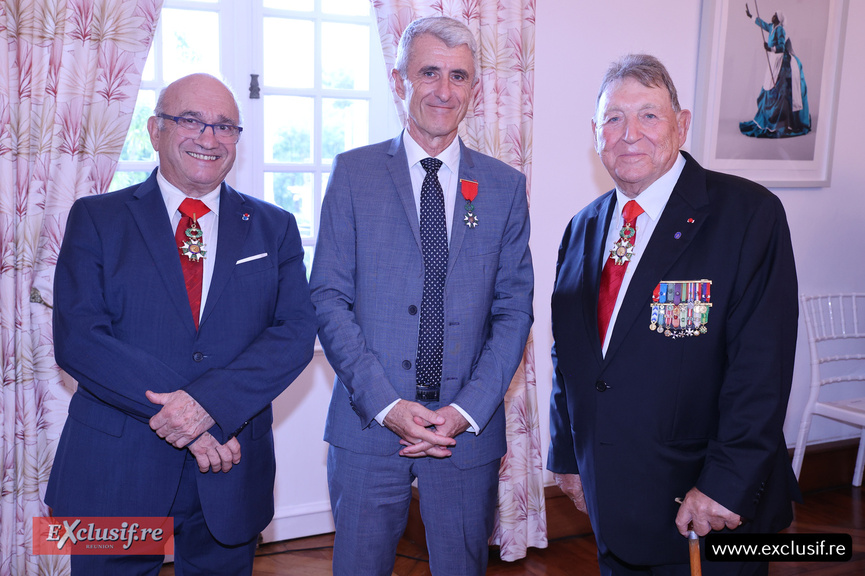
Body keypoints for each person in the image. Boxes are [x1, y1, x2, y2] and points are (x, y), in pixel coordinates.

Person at [46, 73, 317, 575]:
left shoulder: (274, 227)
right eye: (190, 120)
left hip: (231, 468)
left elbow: (294, 334)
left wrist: (208, 407)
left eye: (225, 127)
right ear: (155, 130)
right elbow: (80, 339)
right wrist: (192, 421)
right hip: (118, 468)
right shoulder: (96, 218)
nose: (209, 138)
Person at [547, 54, 800, 576]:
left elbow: (762, 371)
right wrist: (569, 457)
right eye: (612, 118)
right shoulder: (582, 228)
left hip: (706, 506)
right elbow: (569, 356)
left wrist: (723, 485)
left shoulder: (748, 216)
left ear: (681, 125)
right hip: (612, 497)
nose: (629, 133)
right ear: (595, 135)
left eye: (648, 115)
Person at [309, 16, 533, 576]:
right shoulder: (354, 174)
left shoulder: (505, 187)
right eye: (429, 72)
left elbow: (514, 311)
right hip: (367, 425)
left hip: (465, 436)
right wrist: (386, 404)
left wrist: (466, 410)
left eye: (459, 77)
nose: (444, 90)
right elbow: (328, 298)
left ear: (475, 90)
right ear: (398, 80)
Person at [740, 5, 811, 138]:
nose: (772, 16)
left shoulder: (781, 31)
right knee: (768, 86)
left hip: (782, 63)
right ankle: (768, 117)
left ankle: (780, 120)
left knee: (779, 90)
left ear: (778, 18)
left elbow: (781, 47)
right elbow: (763, 25)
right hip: (773, 62)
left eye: (774, 15)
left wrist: (770, 48)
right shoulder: (772, 27)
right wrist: (752, 16)